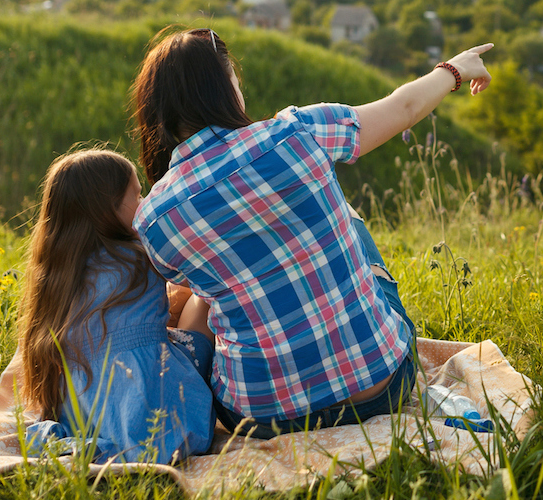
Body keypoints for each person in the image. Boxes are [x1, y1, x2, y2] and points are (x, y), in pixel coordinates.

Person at [130, 27, 493, 438]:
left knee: (208, 291)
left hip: (260, 419)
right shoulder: (299, 131)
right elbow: (405, 106)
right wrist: (455, 69)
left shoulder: (155, 218)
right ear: (225, 87)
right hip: (379, 387)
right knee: (349, 220)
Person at [14, 149, 217, 463]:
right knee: (201, 301)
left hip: (88, 411)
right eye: (137, 195)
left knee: (167, 315)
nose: (144, 202)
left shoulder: (56, 276)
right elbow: (206, 280)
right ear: (107, 209)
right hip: (154, 410)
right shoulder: (141, 252)